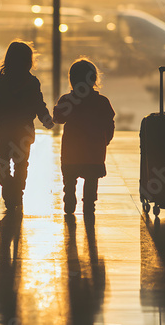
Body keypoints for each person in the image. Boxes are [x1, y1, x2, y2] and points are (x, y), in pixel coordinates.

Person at [0, 41, 53, 209]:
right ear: (29, 62)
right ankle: (18, 191)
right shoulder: (32, 83)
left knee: (2, 162)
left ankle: (8, 187)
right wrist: (46, 118)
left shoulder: (0, 81)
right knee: (21, 164)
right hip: (24, 132)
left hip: (3, 130)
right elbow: (38, 104)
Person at [53, 59, 115, 215]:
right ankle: (89, 203)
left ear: (72, 80)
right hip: (94, 152)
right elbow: (109, 124)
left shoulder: (67, 101)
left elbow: (58, 119)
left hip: (71, 152)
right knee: (91, 179)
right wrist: (105, 141)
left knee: (69, 178)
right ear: (94, 80)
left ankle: (69, 197)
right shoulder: (102, 102)